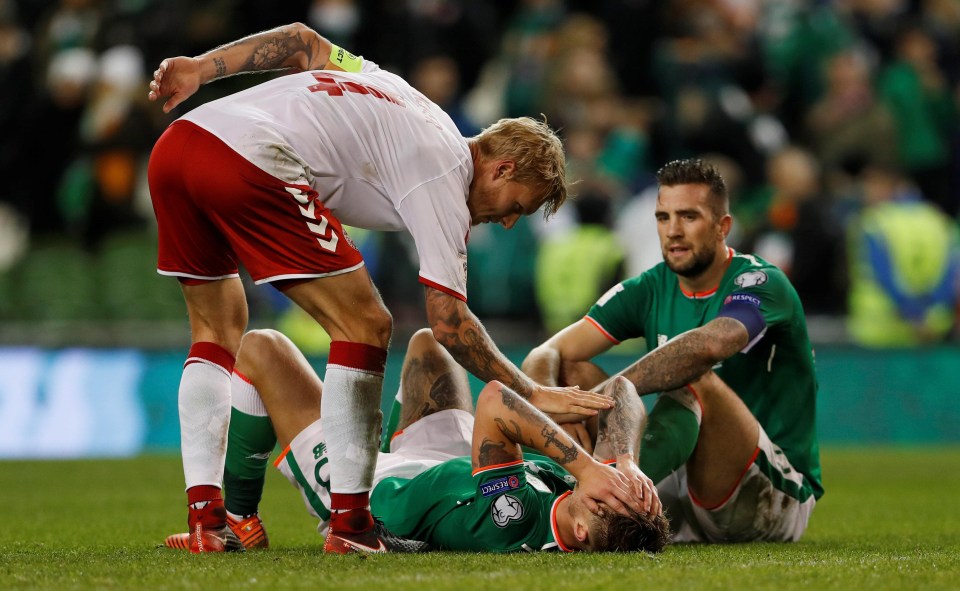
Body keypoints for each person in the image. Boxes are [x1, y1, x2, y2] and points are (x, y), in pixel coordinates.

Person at [146, 22, 616, 554]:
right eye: (515, 208)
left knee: (215, 329)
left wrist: (199, 70)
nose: (507, 223)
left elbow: (304, 43)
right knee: (368, 325)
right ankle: (351, 527)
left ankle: (208, 523)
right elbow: (448, 322)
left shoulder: (402, 94)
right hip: (251, 158)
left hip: (180, 143)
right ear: (501, 167)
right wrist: (531, 394)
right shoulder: (447, 176)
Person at [522, 158, 823, 542]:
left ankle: (598, 494)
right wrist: (553, 410)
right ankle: (592, 490)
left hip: (771, 491)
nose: (673, 231)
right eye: (663, 218)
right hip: (682, 487)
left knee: (694, 375)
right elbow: (545, 353)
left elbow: (710, 344)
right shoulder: (650, 287)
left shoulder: (760, 281)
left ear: (722, 227)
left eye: (689, 217)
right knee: (571, 374)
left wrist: (610, 394)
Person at [165, 328, 669, 553]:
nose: (610, 487)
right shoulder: (592, 502)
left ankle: (238, 520)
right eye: (621, 489)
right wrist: (624, 460)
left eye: (609, 498)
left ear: (581, 533)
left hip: (377, 491)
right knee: (430, 343)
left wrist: (585, 467)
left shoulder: (509, 519)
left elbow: (494, 399)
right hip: (450, 471)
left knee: (261, 350)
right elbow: (623, 391)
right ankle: (376, 432)